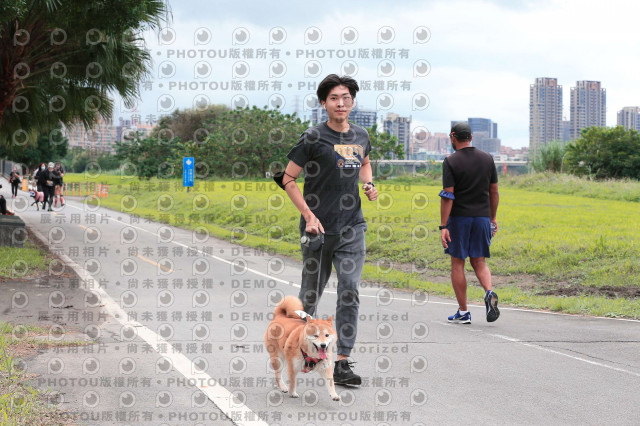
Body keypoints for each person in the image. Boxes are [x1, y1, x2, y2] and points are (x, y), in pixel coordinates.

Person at [274, 74, 378, 386]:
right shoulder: (313, 138)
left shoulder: (361, 135)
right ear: (324, 103)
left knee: (349, 290)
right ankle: (298, 350)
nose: (341, 103)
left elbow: (365, 162)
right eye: (334, 98)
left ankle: (342, 361)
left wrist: (368, 184)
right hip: (317, 230)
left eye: (346, 98)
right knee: (309, 296)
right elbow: (287, 178)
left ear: (352, 102)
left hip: (351, 227)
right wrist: (308, 215)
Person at [440, 122, 500, 324]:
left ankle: (464, 312)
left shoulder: (451, 161)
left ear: (453, 137)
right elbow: (494, 192)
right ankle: (489, 292)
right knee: (479, 261)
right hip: (482, 218)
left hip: (460, 219)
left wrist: (443, 226)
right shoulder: (487, 158)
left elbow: (448, 195)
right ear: (471, 137)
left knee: (458, 263)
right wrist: (492, 218)